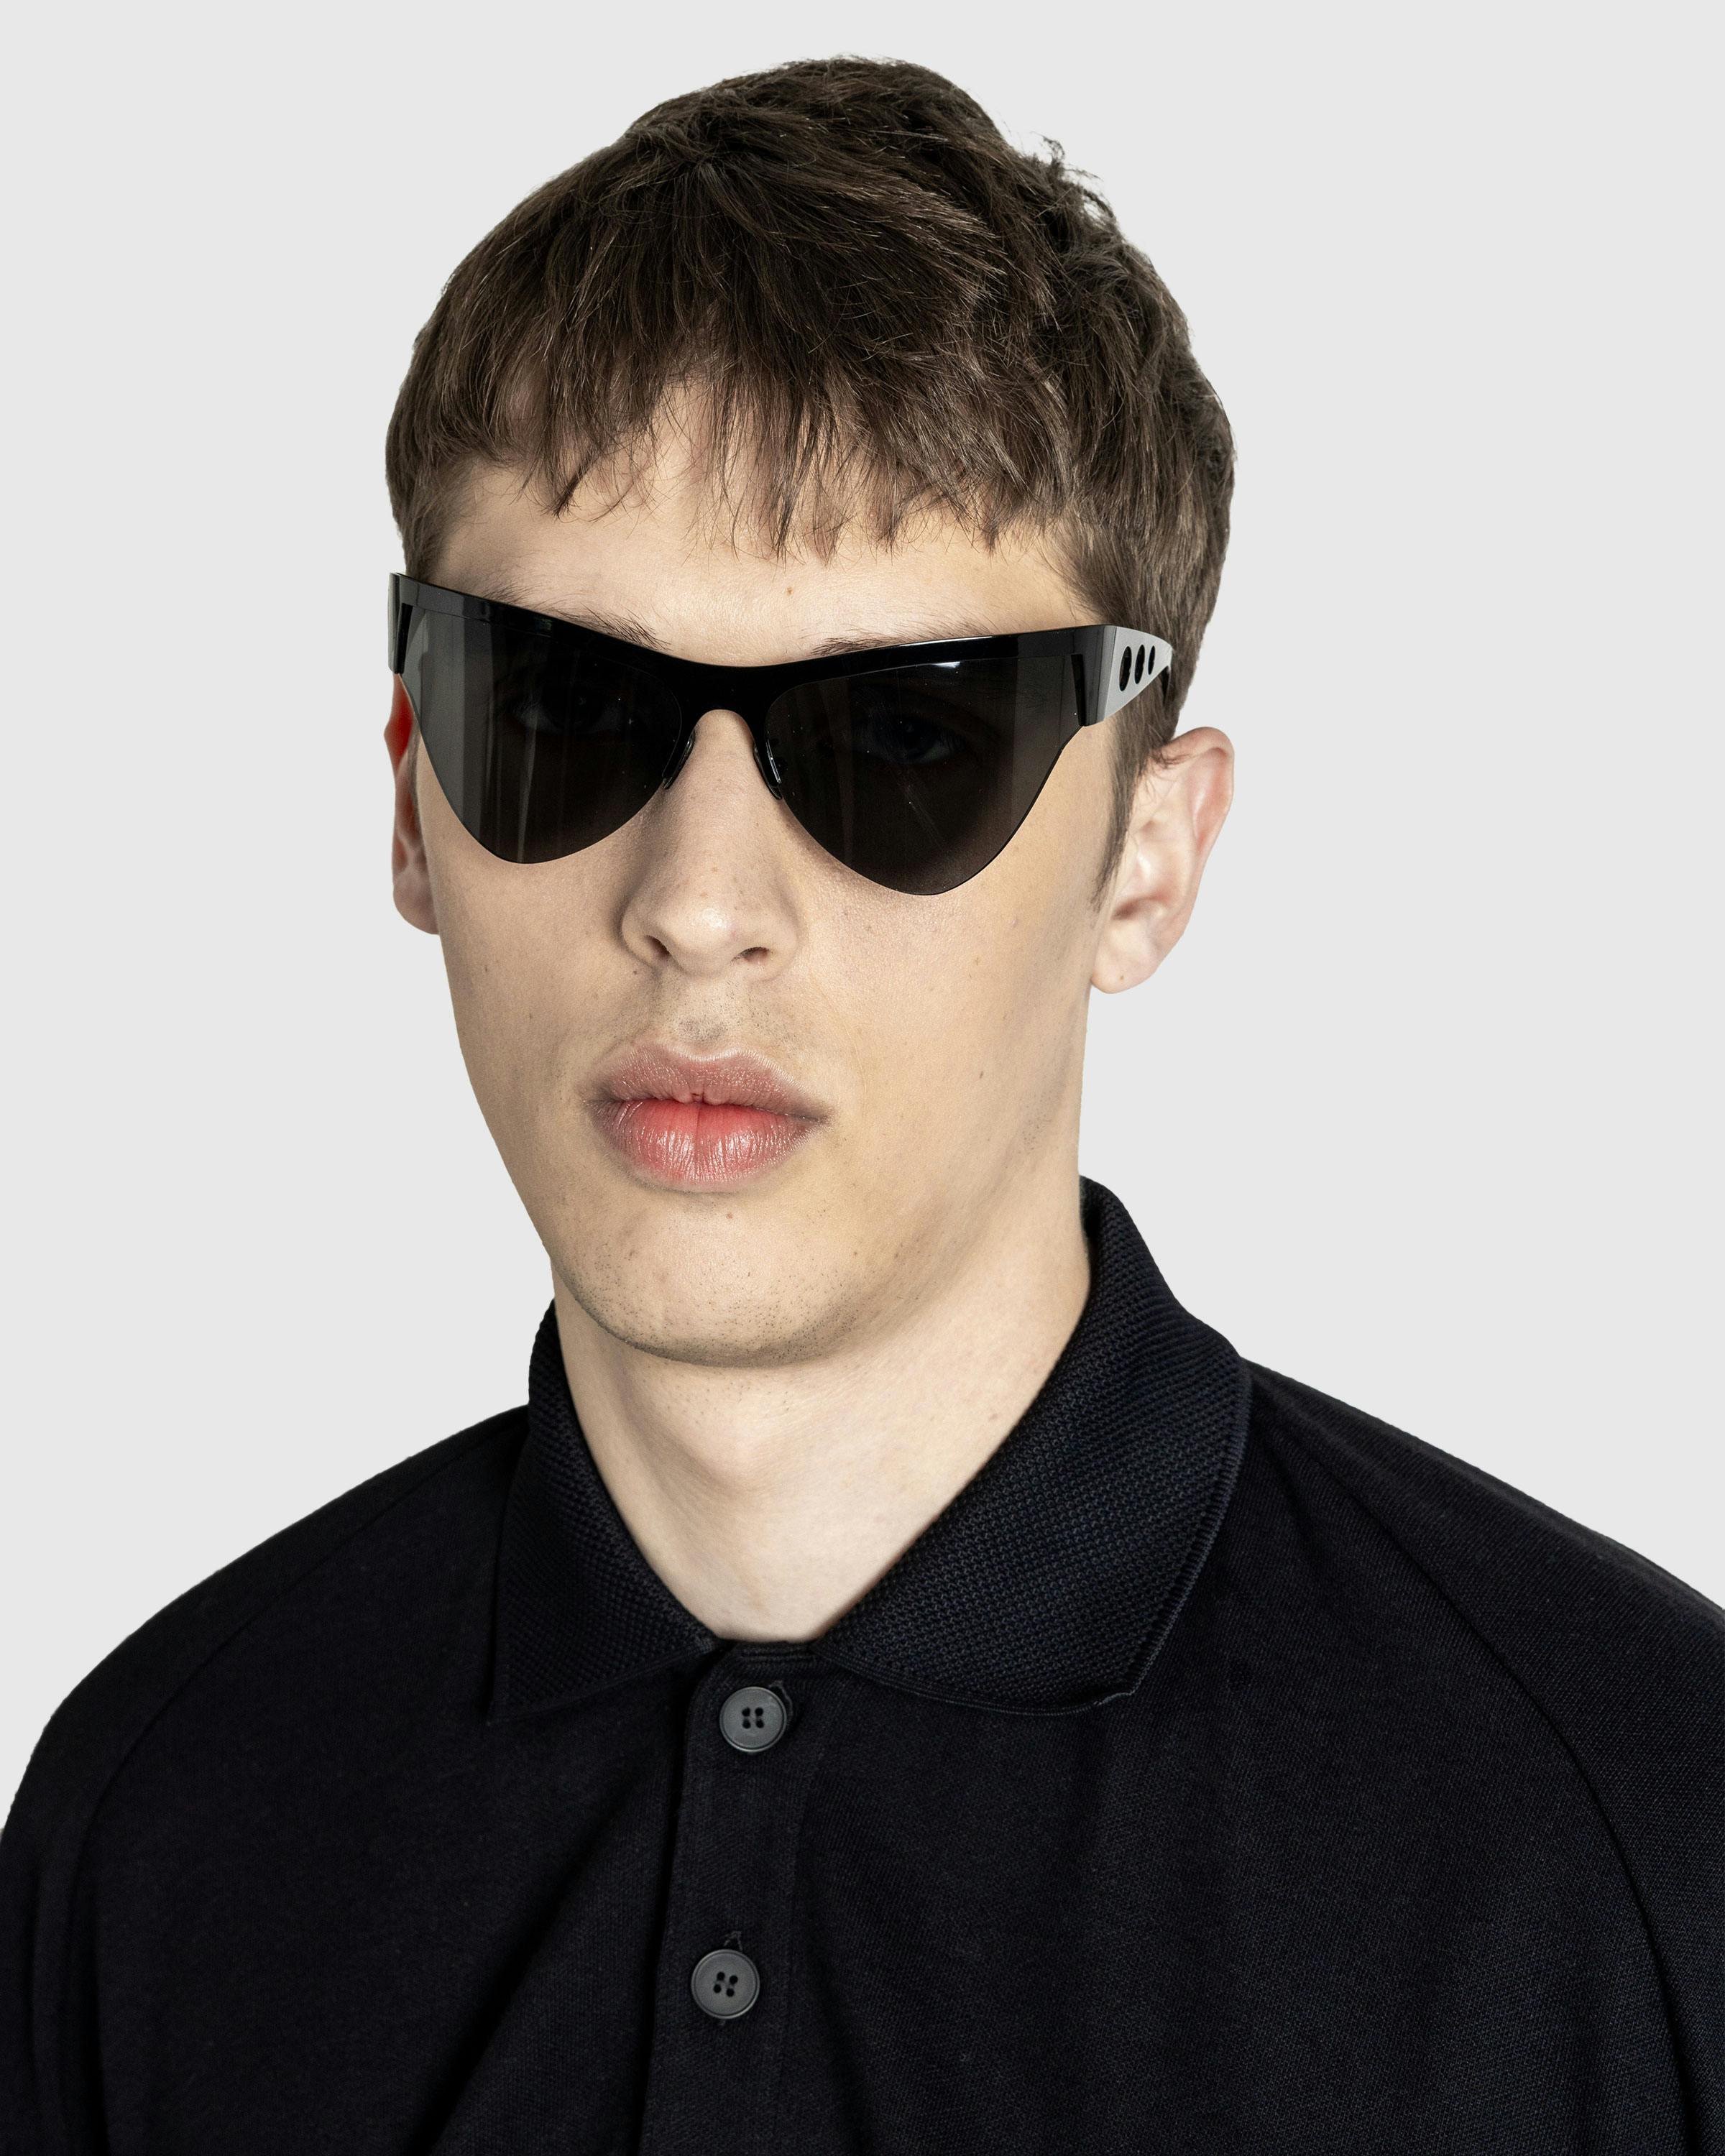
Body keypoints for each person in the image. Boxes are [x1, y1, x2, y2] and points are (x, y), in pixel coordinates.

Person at [3, 53, 1719, 2156]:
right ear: (412, 800)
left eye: (903, 741)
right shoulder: (159, 1820)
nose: (700, 904)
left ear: (1149, 857)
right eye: (564, 711)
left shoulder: (1646, 1850)